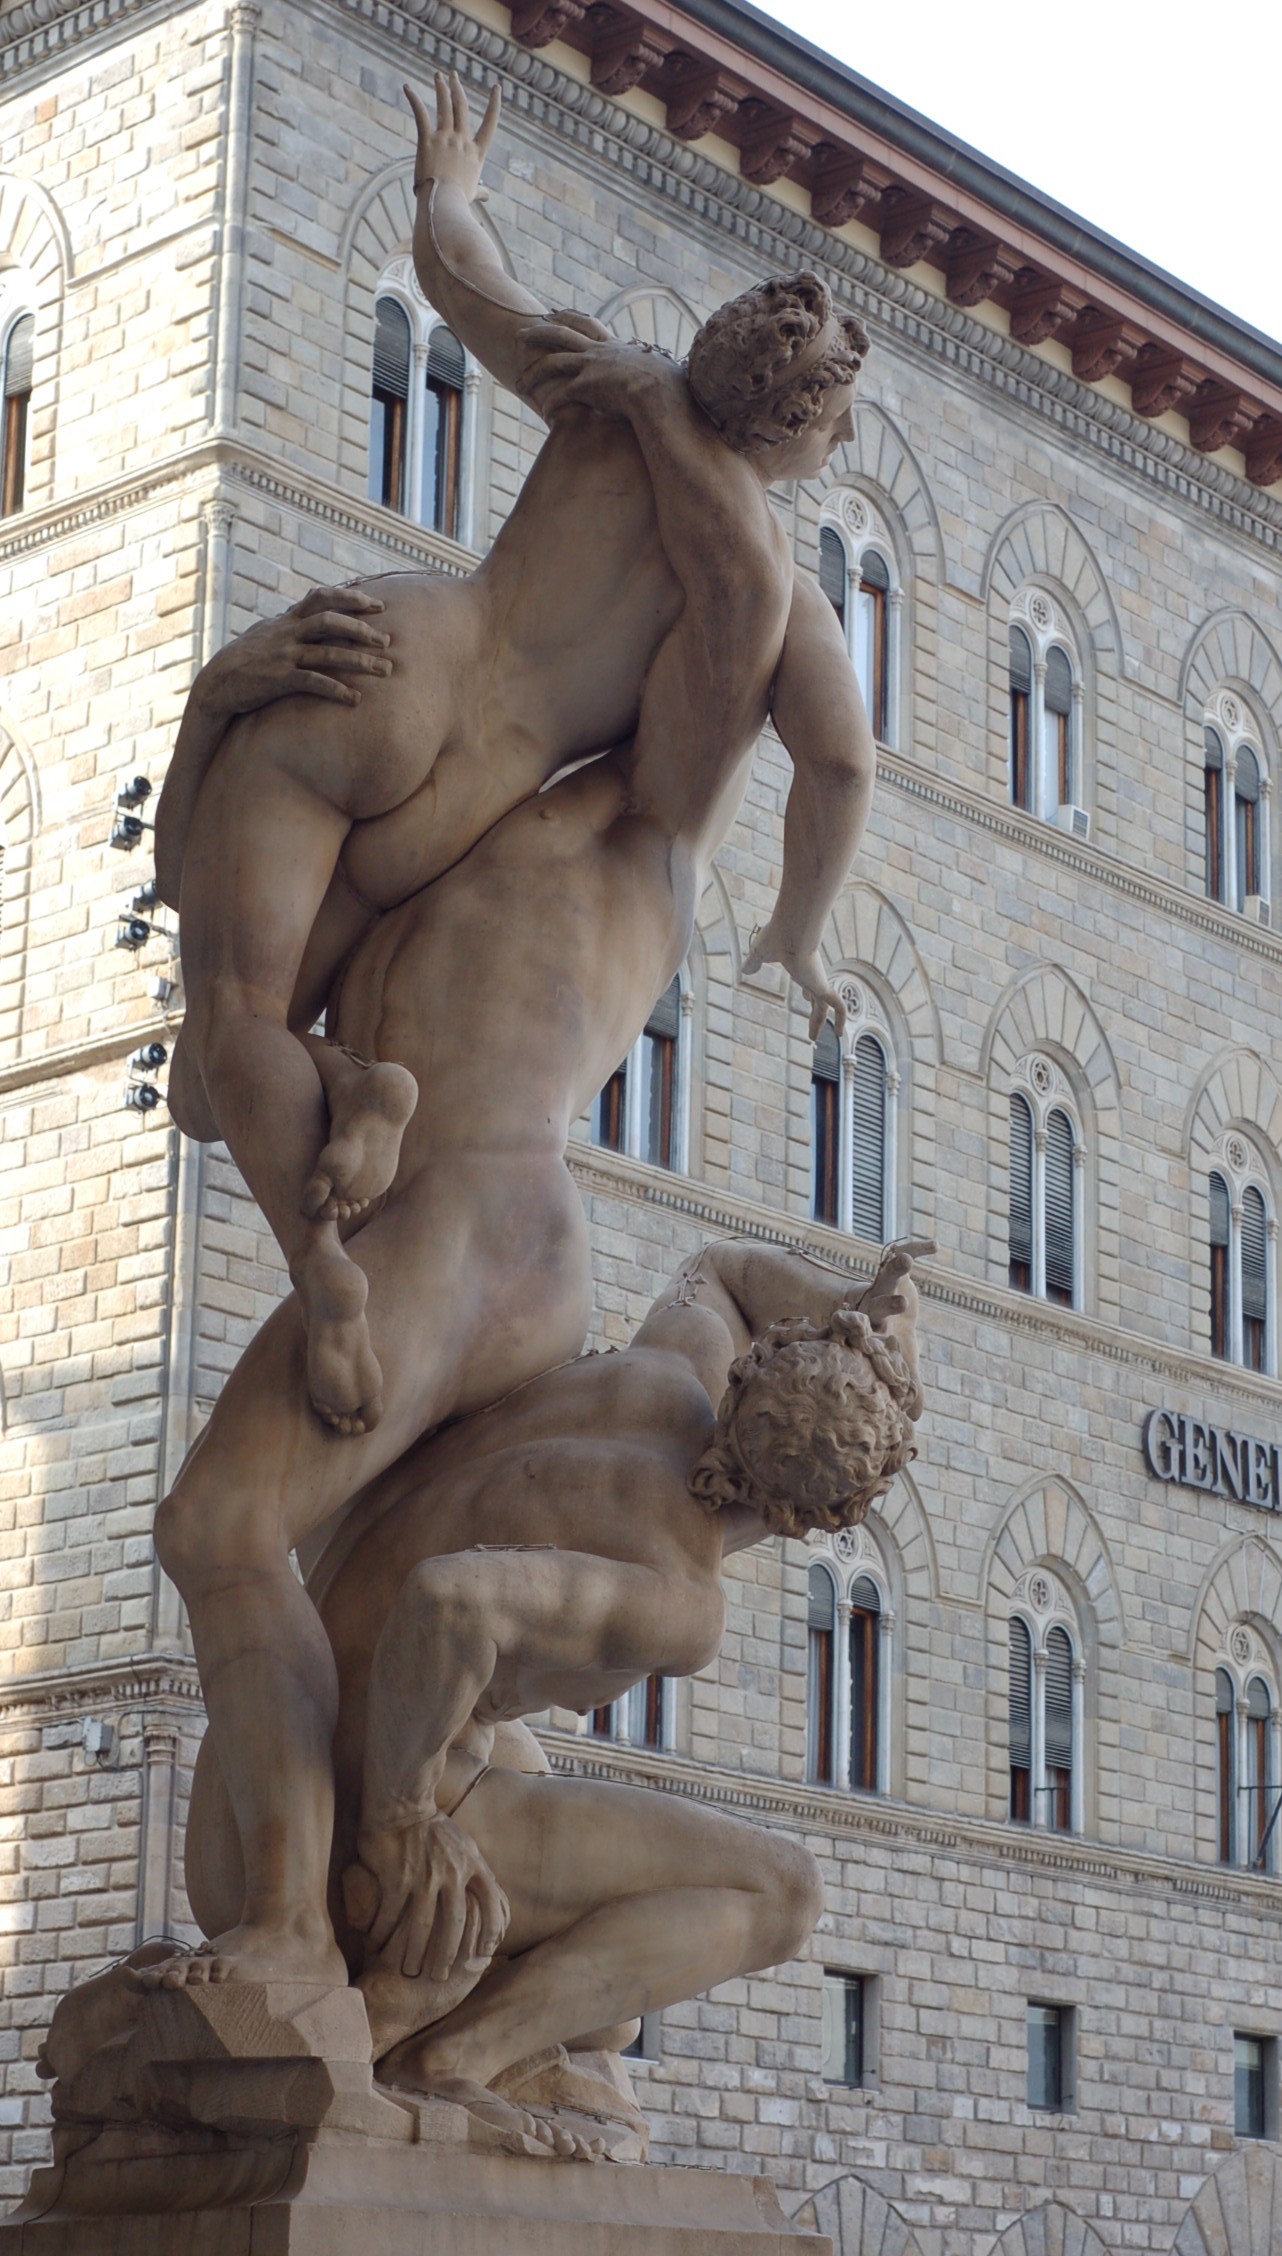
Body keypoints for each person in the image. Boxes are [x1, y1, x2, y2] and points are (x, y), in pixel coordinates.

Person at [148, 310, 879, 1997]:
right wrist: (223, 696)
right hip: (482, 1238)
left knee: (220, 1531)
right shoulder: (506, 821)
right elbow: (213, 1059)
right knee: (341, 1589)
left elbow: (769, 643)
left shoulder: (625, 830)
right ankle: (425, 1932)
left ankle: (281, 1955)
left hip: (462, 1231)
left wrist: (657, 415)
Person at [155, 68, 876, 1435]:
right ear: (798, 431)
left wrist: (448, 184)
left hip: (399, 661)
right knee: (224, 1065)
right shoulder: (773, 586)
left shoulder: (614, 385)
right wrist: (799, 930)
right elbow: (840, 765)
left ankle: (343, 1154)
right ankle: (346, 1161)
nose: (835, 447)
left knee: (225, 1047)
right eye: (837, 427)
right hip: (476, 794)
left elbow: (461, 276)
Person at [180, 1237, 926, 2155]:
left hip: (252, 1797)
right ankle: (447, 2058)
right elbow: (451, 1603)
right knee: (784, 1892)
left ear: (759, 1363)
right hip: (347, 1861)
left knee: (602, 1985)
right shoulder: (678, 1596)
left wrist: (853, 1302)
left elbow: (720, 1268)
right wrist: (400, 1820)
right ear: (811, 1520)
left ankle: (510, 2022)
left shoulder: (667, 1374)